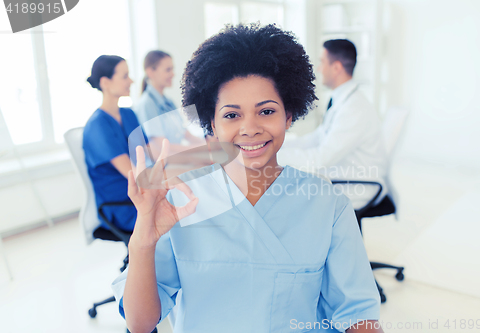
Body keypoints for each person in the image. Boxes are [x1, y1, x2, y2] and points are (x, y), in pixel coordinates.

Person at [112, 25, 384, 333]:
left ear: (289, 116)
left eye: (266, 111)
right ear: (210, 125)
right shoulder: (179, 201)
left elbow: (358, 315)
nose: (250, 128)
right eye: (231, 115)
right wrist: (142, 243)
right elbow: (140, 323)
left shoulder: (328, 206)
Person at [278, 39, 388, 209]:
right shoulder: (343, 99)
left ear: (336, 68)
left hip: (358, 185)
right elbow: (317, 138)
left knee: (285, 194)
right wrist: (279, 145)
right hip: (343, 174)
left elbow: (320, 159)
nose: (319, 69)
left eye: (322, 62)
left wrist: (273, 157)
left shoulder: (354, 109)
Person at [83, 55, 144, 232]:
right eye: (125, 76)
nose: (131, 81)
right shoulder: (97, 126)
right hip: (122, 206)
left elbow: (150, 154)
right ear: (105, 82)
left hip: (141, 195)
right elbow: (134, 174)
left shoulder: (129, 115)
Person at [134, 50, 206, 156]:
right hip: (161, 166)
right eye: (168, 70)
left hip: (174, 161)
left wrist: (207, 144)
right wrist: (199, 149)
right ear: (150, 72)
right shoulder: (147, 104)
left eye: (172, 69)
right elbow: (161, 147)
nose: (173, 74)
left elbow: (185, 133)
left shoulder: (168, 102)